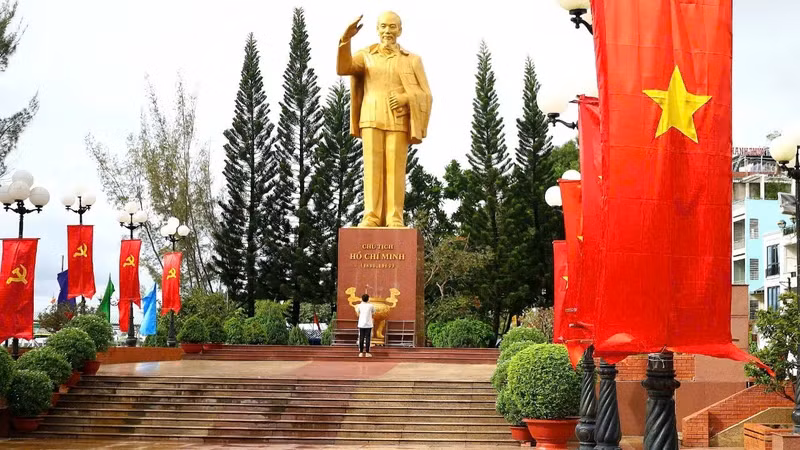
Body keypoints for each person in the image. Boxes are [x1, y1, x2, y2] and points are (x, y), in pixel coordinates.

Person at [336, 11, 433, 227]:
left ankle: (394, 217)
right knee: (371, 170)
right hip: (371, 117)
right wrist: (346, 40)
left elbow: (426, 94)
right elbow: (344, 68)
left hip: (398, 120)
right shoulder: (365, 55)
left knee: (396, 171)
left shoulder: (413, 60)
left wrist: (406, 97)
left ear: (400, 30)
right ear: (377, 29)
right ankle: (370, 216)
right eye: (383, 26)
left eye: (392, 26)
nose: (387, 31)